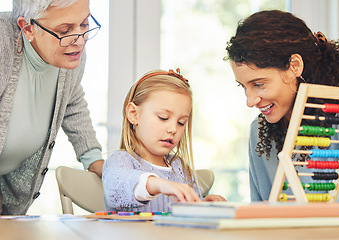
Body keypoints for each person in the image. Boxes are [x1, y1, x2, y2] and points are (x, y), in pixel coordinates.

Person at [225, 10, 339, 210]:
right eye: (243, 86)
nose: (250, 101)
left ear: (294, 66)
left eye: (259, 84)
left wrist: (297, 209)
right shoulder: (258, 132)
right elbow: (260, 208)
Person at [0, 0, 104, 215]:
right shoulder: (3, 44)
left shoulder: (70, 52)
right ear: (28, 28)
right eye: (65, 30)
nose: (80, 40)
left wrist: (94, 158)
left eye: (84, 24)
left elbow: (72, 102)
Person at [102, 69, 225, 212]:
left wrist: (205, 205)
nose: (173, 129)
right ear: (134, 114)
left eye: (181, 122)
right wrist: (160, 184)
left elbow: (190, 209)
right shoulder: (120, 161)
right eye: (163, 117)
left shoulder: (181, 168)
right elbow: (117, 187)